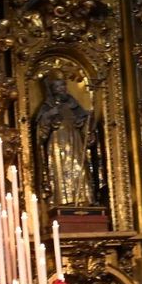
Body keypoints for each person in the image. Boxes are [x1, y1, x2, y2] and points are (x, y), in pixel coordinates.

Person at [34, 74, 100, 208]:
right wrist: (50, 115)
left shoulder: (73, 104)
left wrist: (87, 121)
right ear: (52, 89)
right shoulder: (48, 106)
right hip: (58, 141)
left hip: (75, 141)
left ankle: (83, 199)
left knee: (79, 168)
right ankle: (62, 201)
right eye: (57, 86)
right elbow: (41, 129)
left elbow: (84, 124)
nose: (61, 89)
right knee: (60, 169)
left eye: (63, 85)